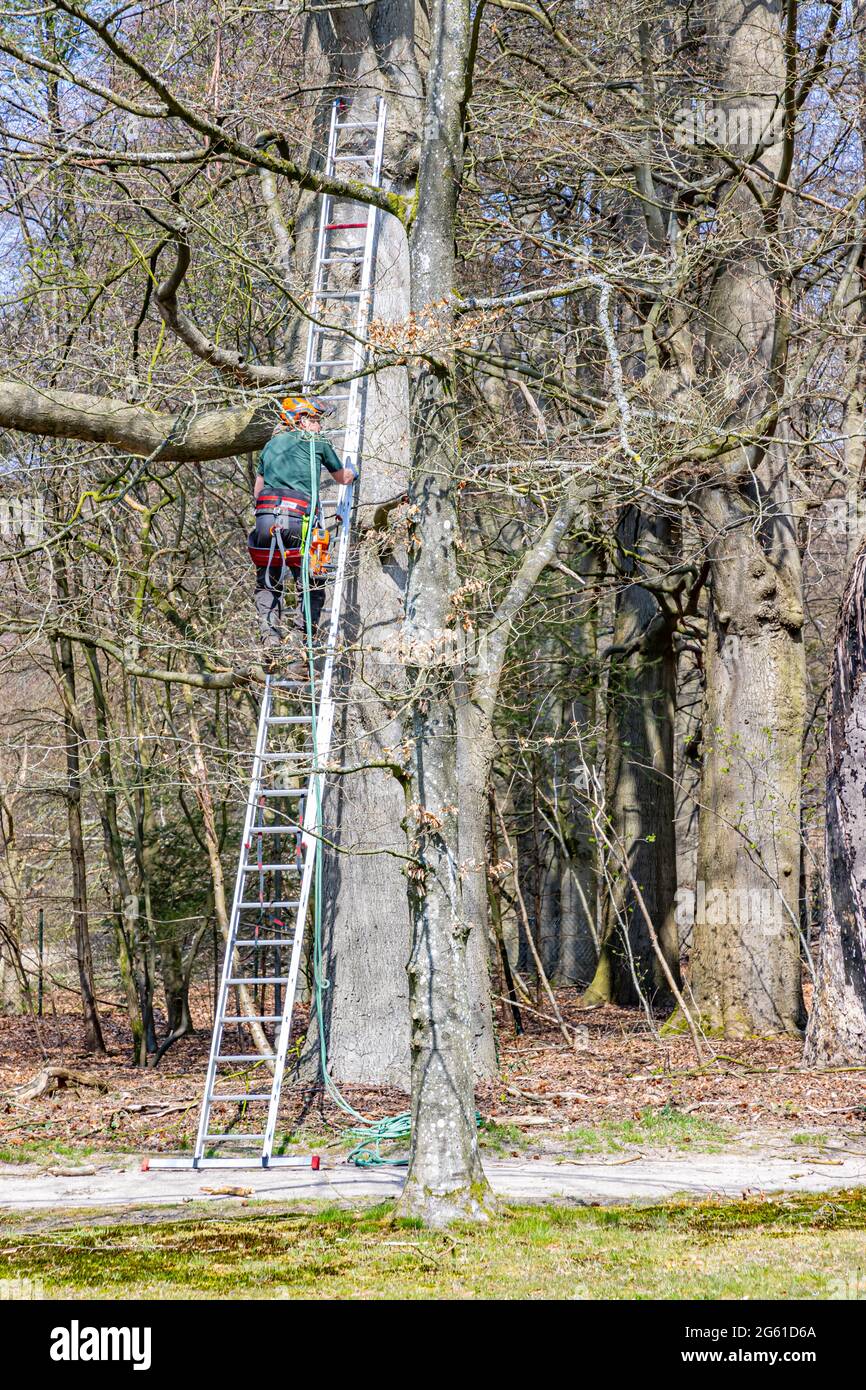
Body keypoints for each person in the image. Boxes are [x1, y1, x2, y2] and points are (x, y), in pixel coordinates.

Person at [249, 395, 357, 660]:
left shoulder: (270, 445)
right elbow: (342, 477)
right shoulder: (315, 442)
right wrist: (353, 471)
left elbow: (257, 491)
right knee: (310, 582)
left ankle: (270, 641)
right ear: (301, 420)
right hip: (298, 520)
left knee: (267, 582)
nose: (319, 426)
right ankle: (300, 650)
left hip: (266, 522)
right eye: (316, 420)